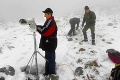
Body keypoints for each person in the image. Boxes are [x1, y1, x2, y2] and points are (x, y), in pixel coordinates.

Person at [37, 8, 57, 78]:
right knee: (47, 58)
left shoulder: (51, 21)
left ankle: (52, 74)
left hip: (50, 43)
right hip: (48, 43)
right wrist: (37, 26)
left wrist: (36, 27)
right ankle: (47, 72)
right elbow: (44, 27)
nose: (44, 15)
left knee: (50, 59)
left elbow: (44, 31)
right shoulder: (48, 21)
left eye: (45, 14)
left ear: (49, 14)